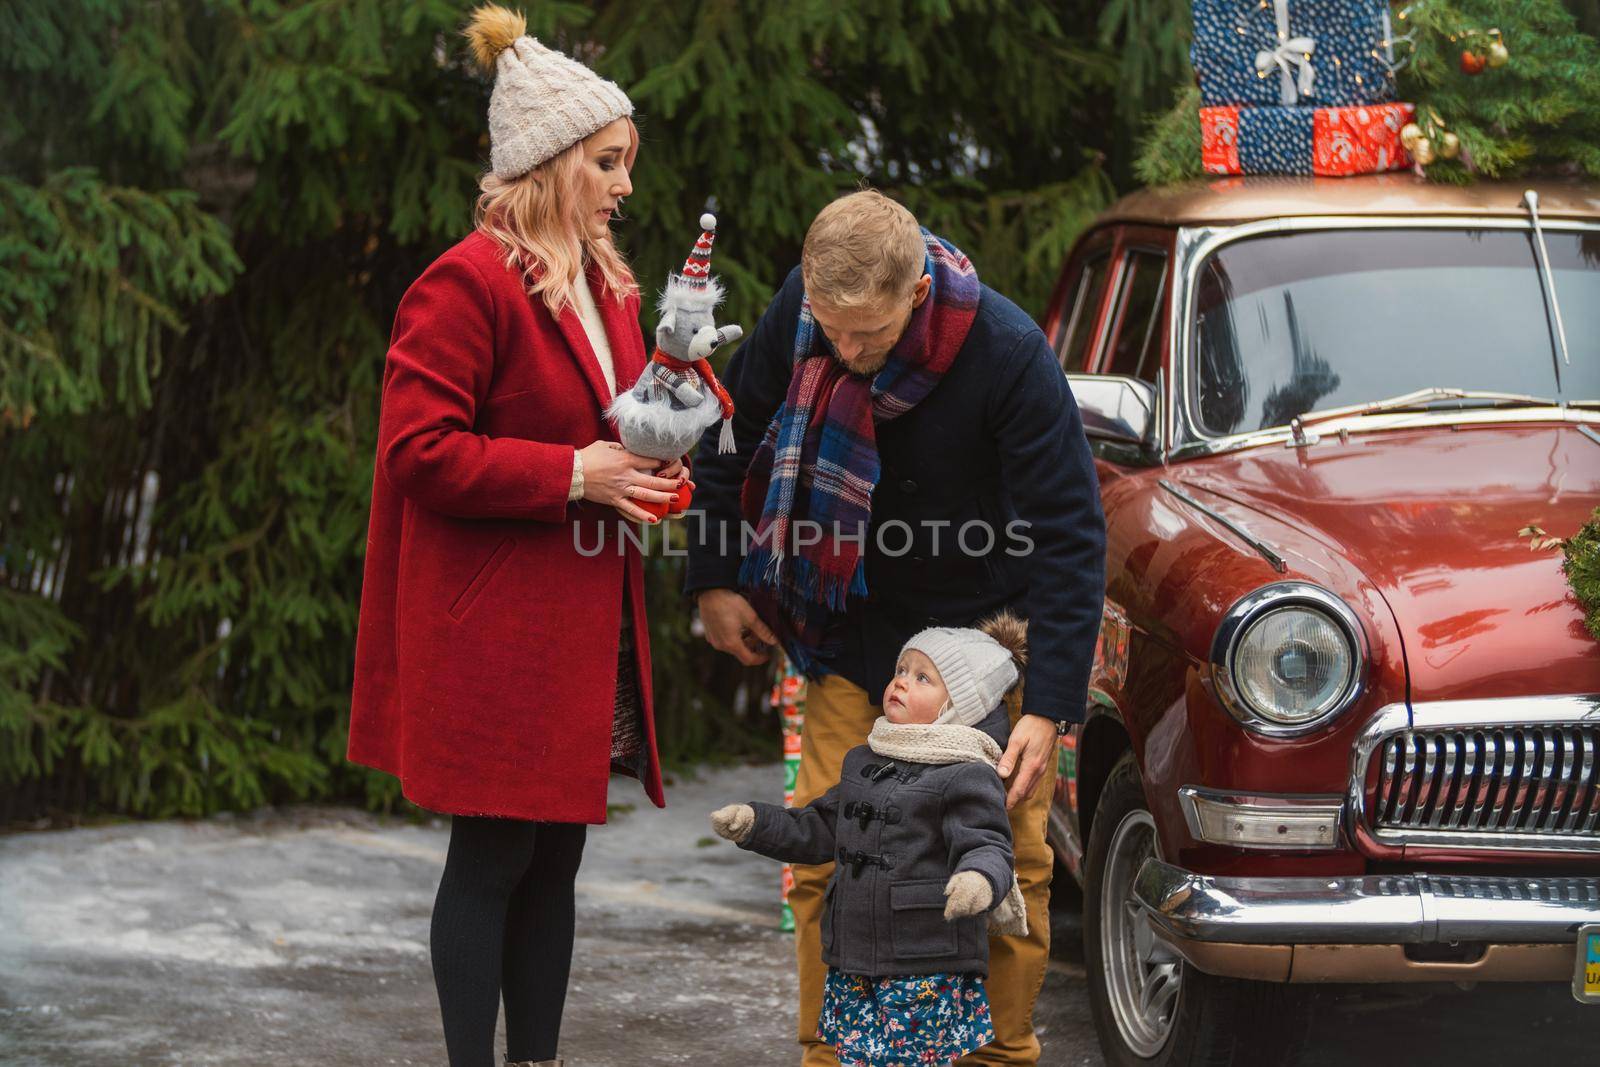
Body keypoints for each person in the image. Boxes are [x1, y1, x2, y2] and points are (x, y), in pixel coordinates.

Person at [685, 190, 1107, 1065]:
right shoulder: (800, 316)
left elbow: (1070, 530)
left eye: (867, 336)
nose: (846, 353)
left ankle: (998, 1055)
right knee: (826, 854)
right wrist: (717, 578)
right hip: (852, 632)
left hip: (986, 654)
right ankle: (830, 1055)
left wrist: (1049, 707)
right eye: (831, 331)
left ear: (917, 295)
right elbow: (730, 433)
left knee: (1008, 864)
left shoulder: (1007, 350)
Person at [347, 7, 682, 1065]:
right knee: (492, 856)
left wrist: (657, 455)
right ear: (551, 164)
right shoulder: (465, 282)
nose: (626, 185)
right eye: (609, 163)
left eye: (627, 163)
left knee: (554, 861)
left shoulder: (606, 281)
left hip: (580, 618)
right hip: (494, 630)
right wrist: (575, 473)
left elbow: (615, 418)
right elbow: (418, 449)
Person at [710, 615, 1032, 1067]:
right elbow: (820, 826)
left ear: (960, 707)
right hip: (856, 958)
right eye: (901, 670)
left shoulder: (968, 774)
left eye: (923, 678)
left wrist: (978, 879)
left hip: (922, 962)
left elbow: (988, 843)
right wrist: (754, 824)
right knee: (856, 1059)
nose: (901, 682)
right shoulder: (866, 760)